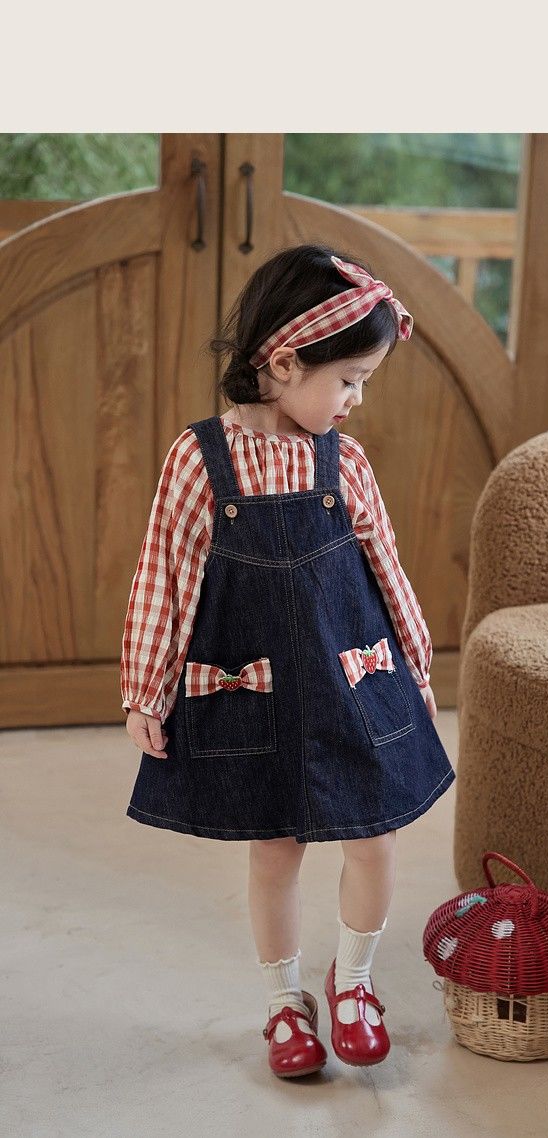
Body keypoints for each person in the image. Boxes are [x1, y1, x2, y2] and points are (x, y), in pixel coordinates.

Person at [120, 242, 456, 1077]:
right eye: (348, 379)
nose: (356, 399)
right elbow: (165, 575)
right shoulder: (199, 458)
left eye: (364, 381)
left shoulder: (346, 462)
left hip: (352, 678)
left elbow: (386, 569)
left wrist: (416, 668)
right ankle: (283, 1001)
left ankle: (355, 982)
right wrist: (146, 690)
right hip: (256, 688)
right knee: (275, 849)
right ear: (283, 362)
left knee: (373, 838)